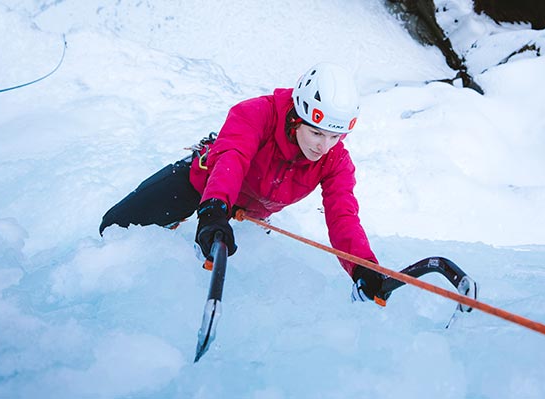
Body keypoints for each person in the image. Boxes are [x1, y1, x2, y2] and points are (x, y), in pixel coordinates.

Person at [100, 62, 384, 302]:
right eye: (316, 133)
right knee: (112, 227)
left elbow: (342, 214)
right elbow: (232, 159)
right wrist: (212, 211)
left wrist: (362, 267)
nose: (324, 147)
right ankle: (178, 219)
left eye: (335, 137)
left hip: (251, 213)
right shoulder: (258, 113)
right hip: (203, 185)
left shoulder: (335, 161)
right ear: (297, 119)